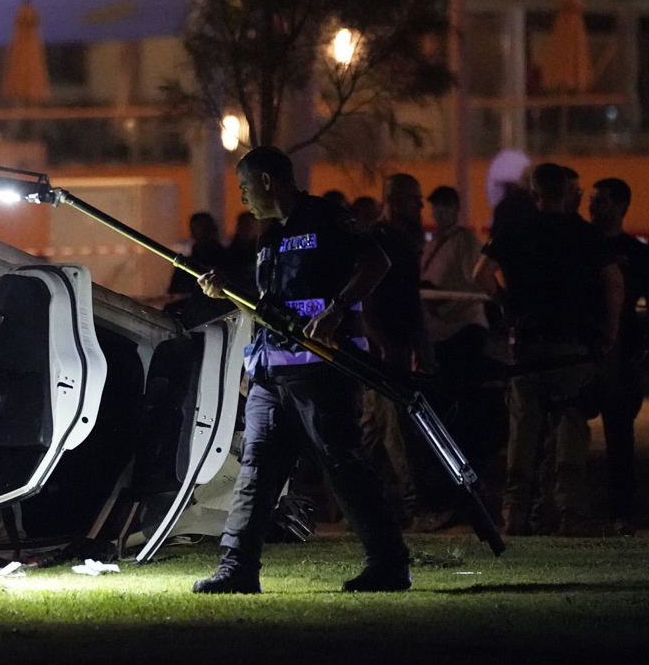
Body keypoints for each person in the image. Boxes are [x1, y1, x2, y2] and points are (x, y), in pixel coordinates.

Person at [192, 146, 410, 594]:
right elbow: (270, 307)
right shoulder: (268, 235)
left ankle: (388, 564)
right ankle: (238, 569)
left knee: (342, 464)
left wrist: (335, 310)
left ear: (268, 181)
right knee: (256, 470)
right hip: (271, 376)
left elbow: (376, 262)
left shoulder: (326, 217)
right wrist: (227, 293)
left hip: (322, 373)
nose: (243, 197)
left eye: (245, 187)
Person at [474, 164, 623, 536]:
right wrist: (609, 330)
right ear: (565, 191)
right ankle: (570, 514)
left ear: (534, 193)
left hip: (528, 346)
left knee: (524, 430)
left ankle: (516, 514)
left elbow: (480, 273)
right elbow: (613, 280)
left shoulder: (514, 232)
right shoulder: (585, 234)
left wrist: (505, 300)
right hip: (574, 348)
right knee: (570, 428)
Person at [420, 186, 502, 525]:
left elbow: (472, 284)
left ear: (456, 207)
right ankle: (456, 494)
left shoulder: (465, 242)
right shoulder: (433, 244)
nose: (439, 212)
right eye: (435, 206)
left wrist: (446, 305)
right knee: (449, 416)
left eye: (445, 205)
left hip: (463, 332)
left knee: (466, 416)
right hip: (441, 335)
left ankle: (469, 494)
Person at [360, 174, 429, 526]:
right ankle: (412, 508)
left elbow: (411, 300)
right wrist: (388, 344)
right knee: (394, 432)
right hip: (385, 350)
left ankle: (369, 508)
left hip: (387, 347)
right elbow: (367, 299)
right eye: (414, 199)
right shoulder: (381, 241)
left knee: (373, 431)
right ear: (395, 200)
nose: (421, 206)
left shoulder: (399, 241)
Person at [588, 178, 649, 535]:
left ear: (620, 206)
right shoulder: (581, 245)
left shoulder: (636, 254)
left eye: (600, 201)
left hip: (621, 354)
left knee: (620, 437)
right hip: (582, 352)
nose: (592, 207)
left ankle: (620, 512)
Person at [164, 212, 233, 328]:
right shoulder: (186, 263)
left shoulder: (226, 259)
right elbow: (175, 293)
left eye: (204, 228)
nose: (200, 233)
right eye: (196, 228)